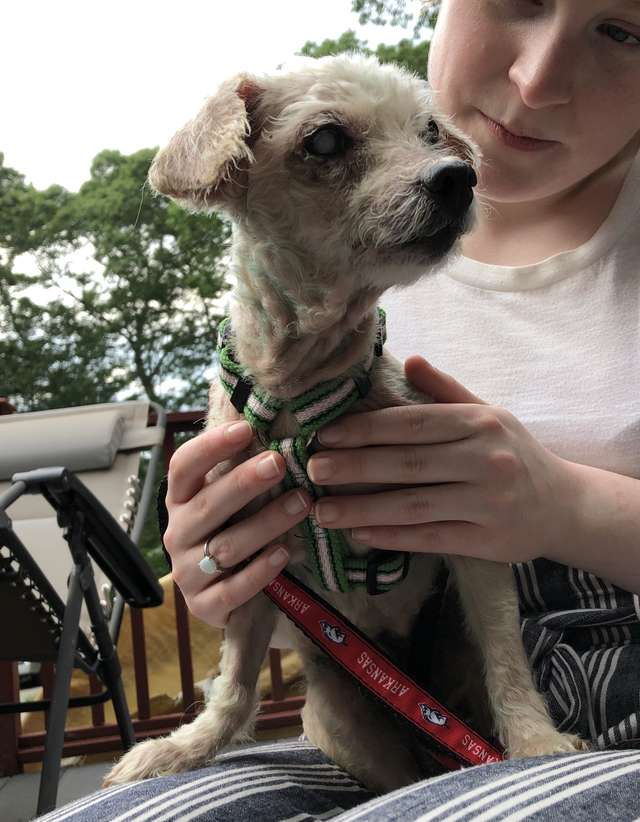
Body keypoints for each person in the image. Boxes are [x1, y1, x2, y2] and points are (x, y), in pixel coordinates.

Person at [42, 1, 640, 819]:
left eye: (623, 30)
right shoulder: (333, 316)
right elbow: (249, 580)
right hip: (357, 698)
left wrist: (567, 507)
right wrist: (222, 567)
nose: (538, 80)